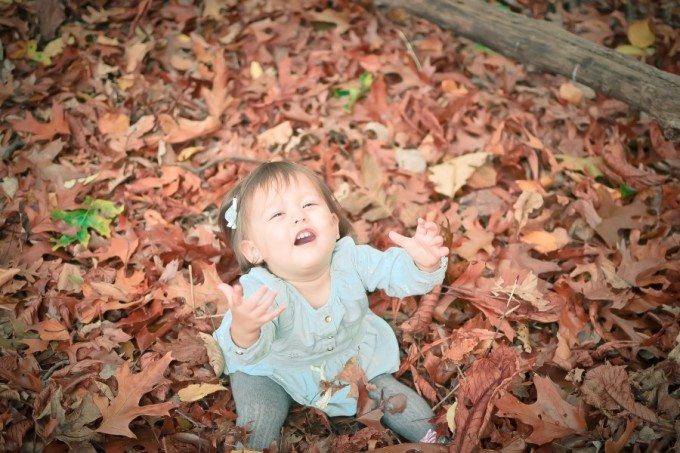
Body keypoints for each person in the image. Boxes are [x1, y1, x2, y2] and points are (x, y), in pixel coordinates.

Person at [213, 161, 449, 450]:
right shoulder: (261, 291)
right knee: (261, 413)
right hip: (275, 368)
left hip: (352, 359)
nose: (299, 217)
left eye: (309, 204)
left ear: (334, 225)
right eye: (278, 214)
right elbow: (247, 349)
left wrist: (422, 264)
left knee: (397, 400)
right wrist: (246, 329)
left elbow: (392, 270)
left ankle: (442, 442)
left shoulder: (351, 260)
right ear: (254, 250)